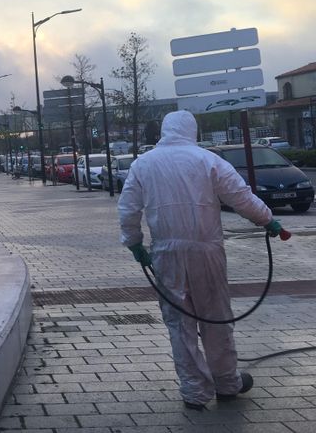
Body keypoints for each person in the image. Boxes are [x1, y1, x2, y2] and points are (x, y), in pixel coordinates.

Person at [117, 110, 282, 411]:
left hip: (165, 254)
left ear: (165, 131)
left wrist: (134, 243)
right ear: (191, 130)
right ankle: (227, 383)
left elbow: (128, 209)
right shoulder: (208, 160)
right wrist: (267, 220)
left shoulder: (144, 164)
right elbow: (240, 196)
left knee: (180, 323)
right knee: (216, 317)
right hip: (207, 251)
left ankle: (194, 391)